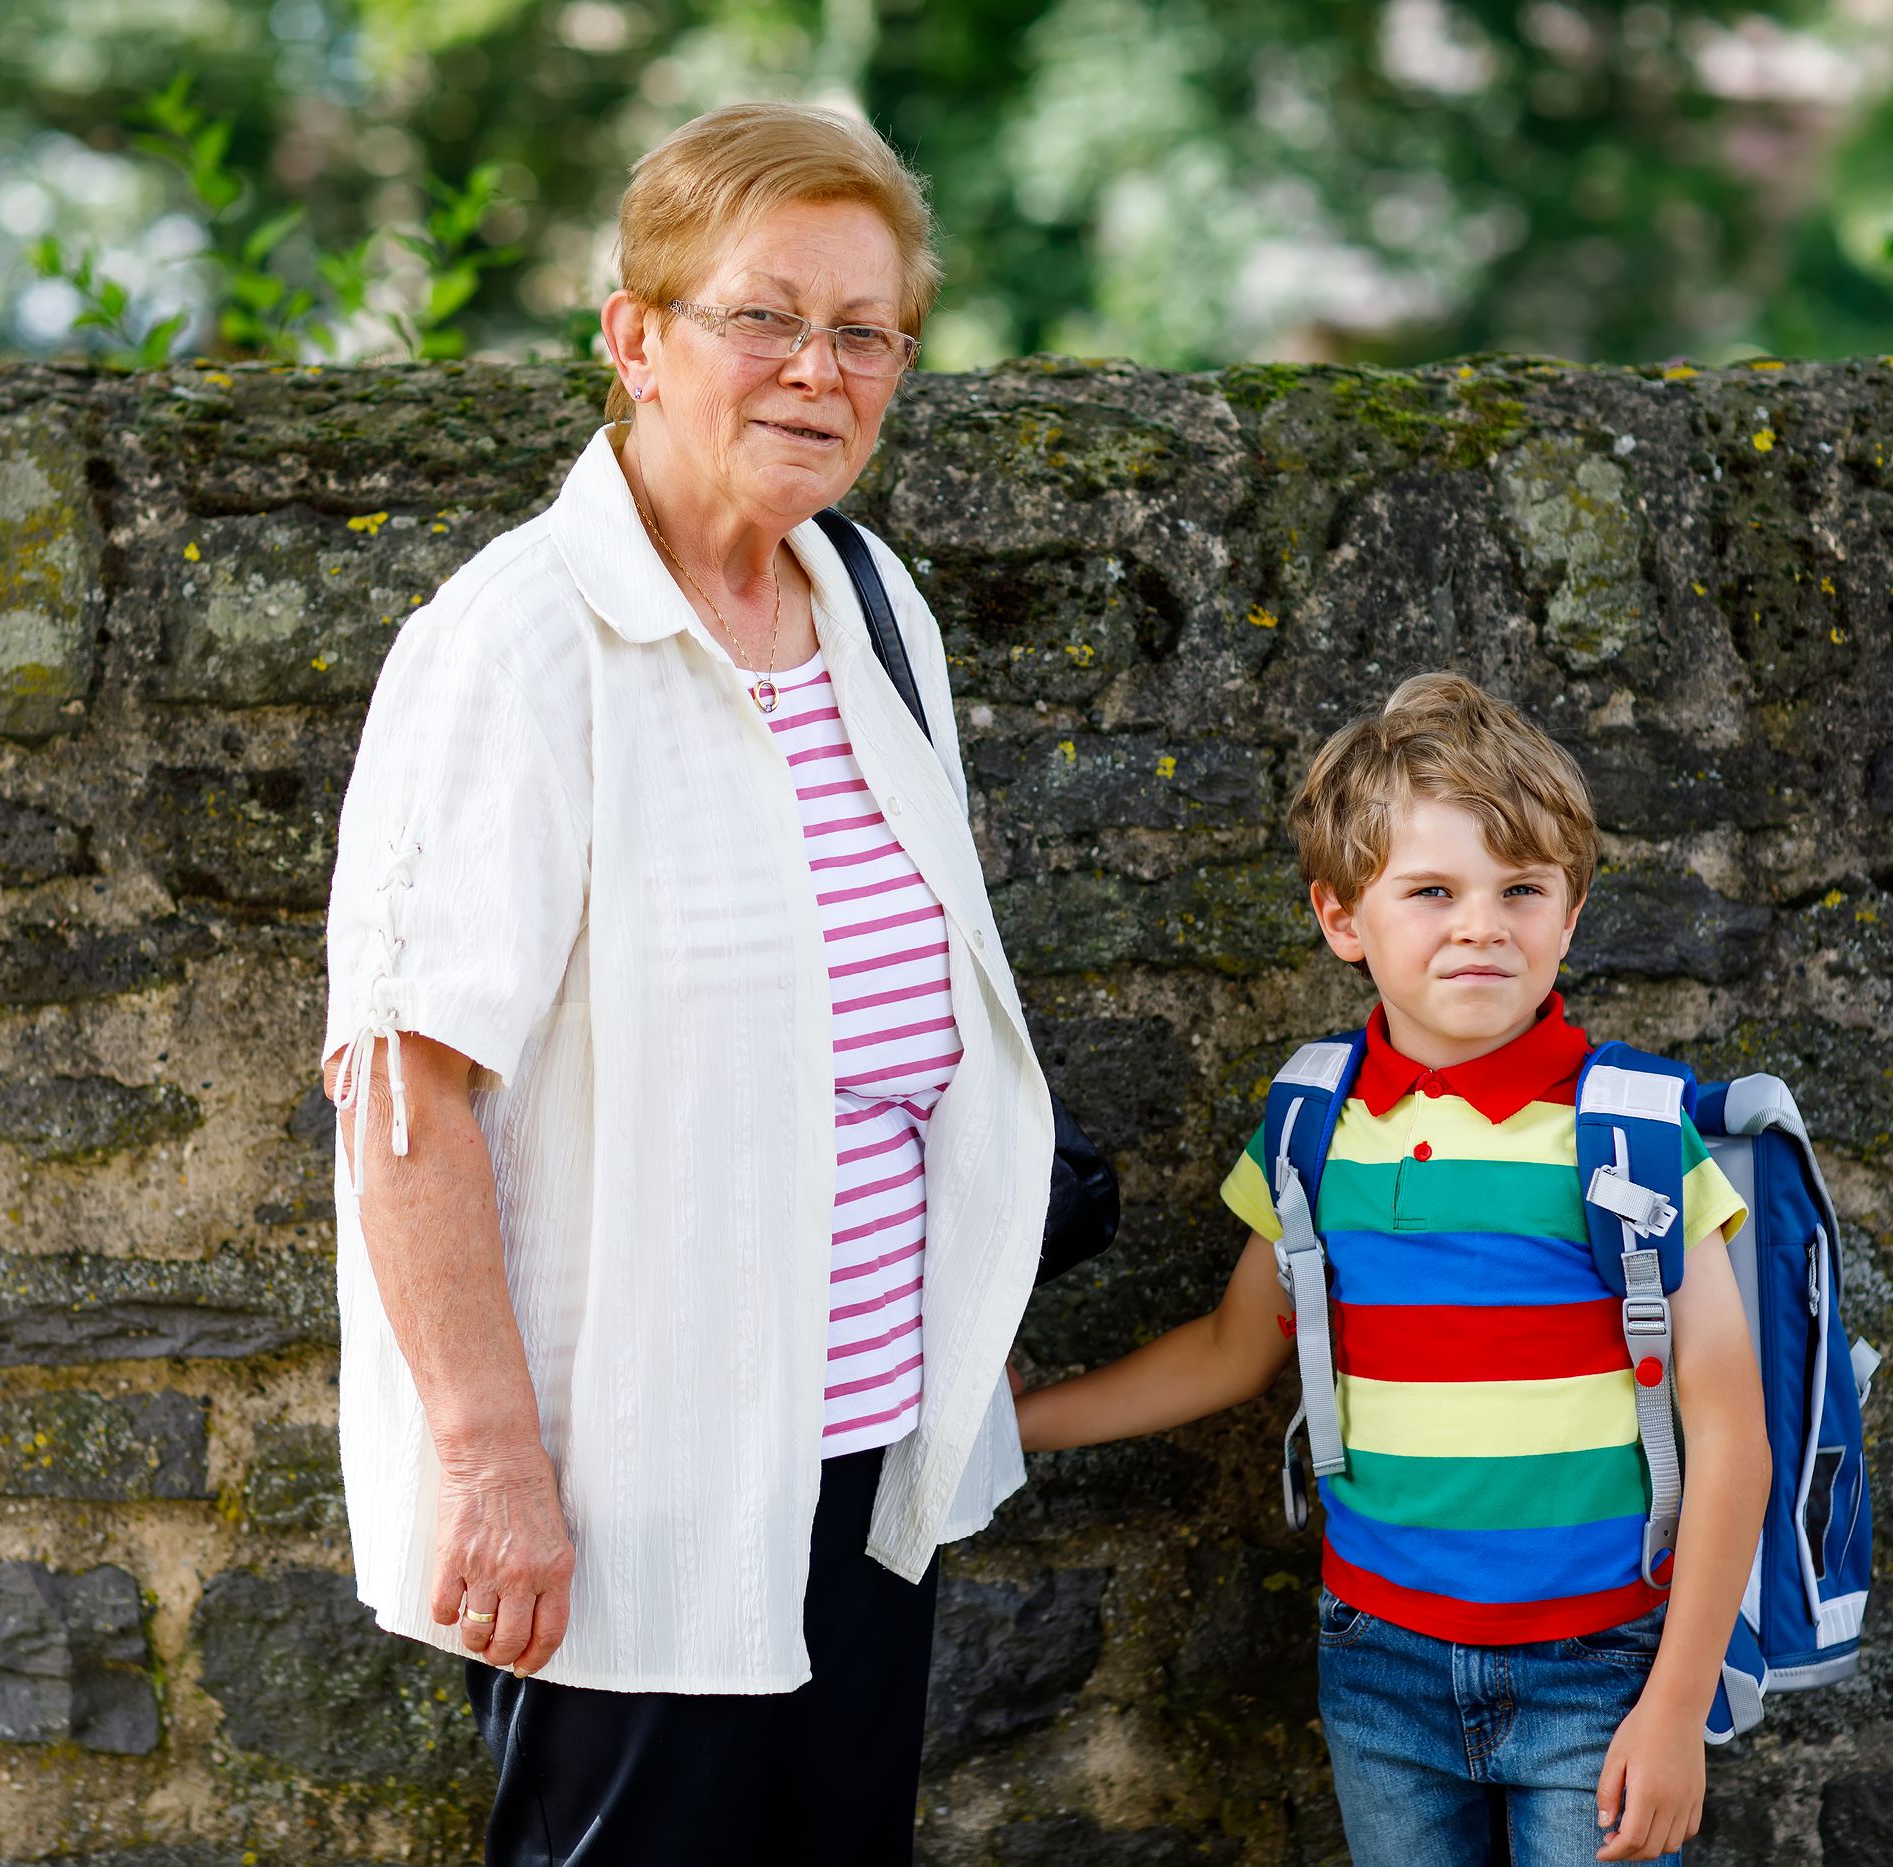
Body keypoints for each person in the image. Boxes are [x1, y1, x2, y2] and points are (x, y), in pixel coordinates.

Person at [320, 101, 1050, 1866]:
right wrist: (497, 1472)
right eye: (764, 315)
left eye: (864, 331)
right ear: (634, 337)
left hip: (863, 1456)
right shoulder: (515, 645)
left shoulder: (870, 600)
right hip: (631, 1489)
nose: (820, 367)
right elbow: (407, 1104)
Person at [1014, 673, 1767, 1866]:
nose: (1483, 925)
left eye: (1522, 889)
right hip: (1377, 1660)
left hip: (1601, 1671)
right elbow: (1231, 1348)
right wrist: (1013, 1426)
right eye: (1432, 891)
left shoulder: (1629, 1131)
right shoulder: (1311, 1122)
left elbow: (1730, 1431)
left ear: (1569, 916)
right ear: (1341, 917)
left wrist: (1674, 1709)